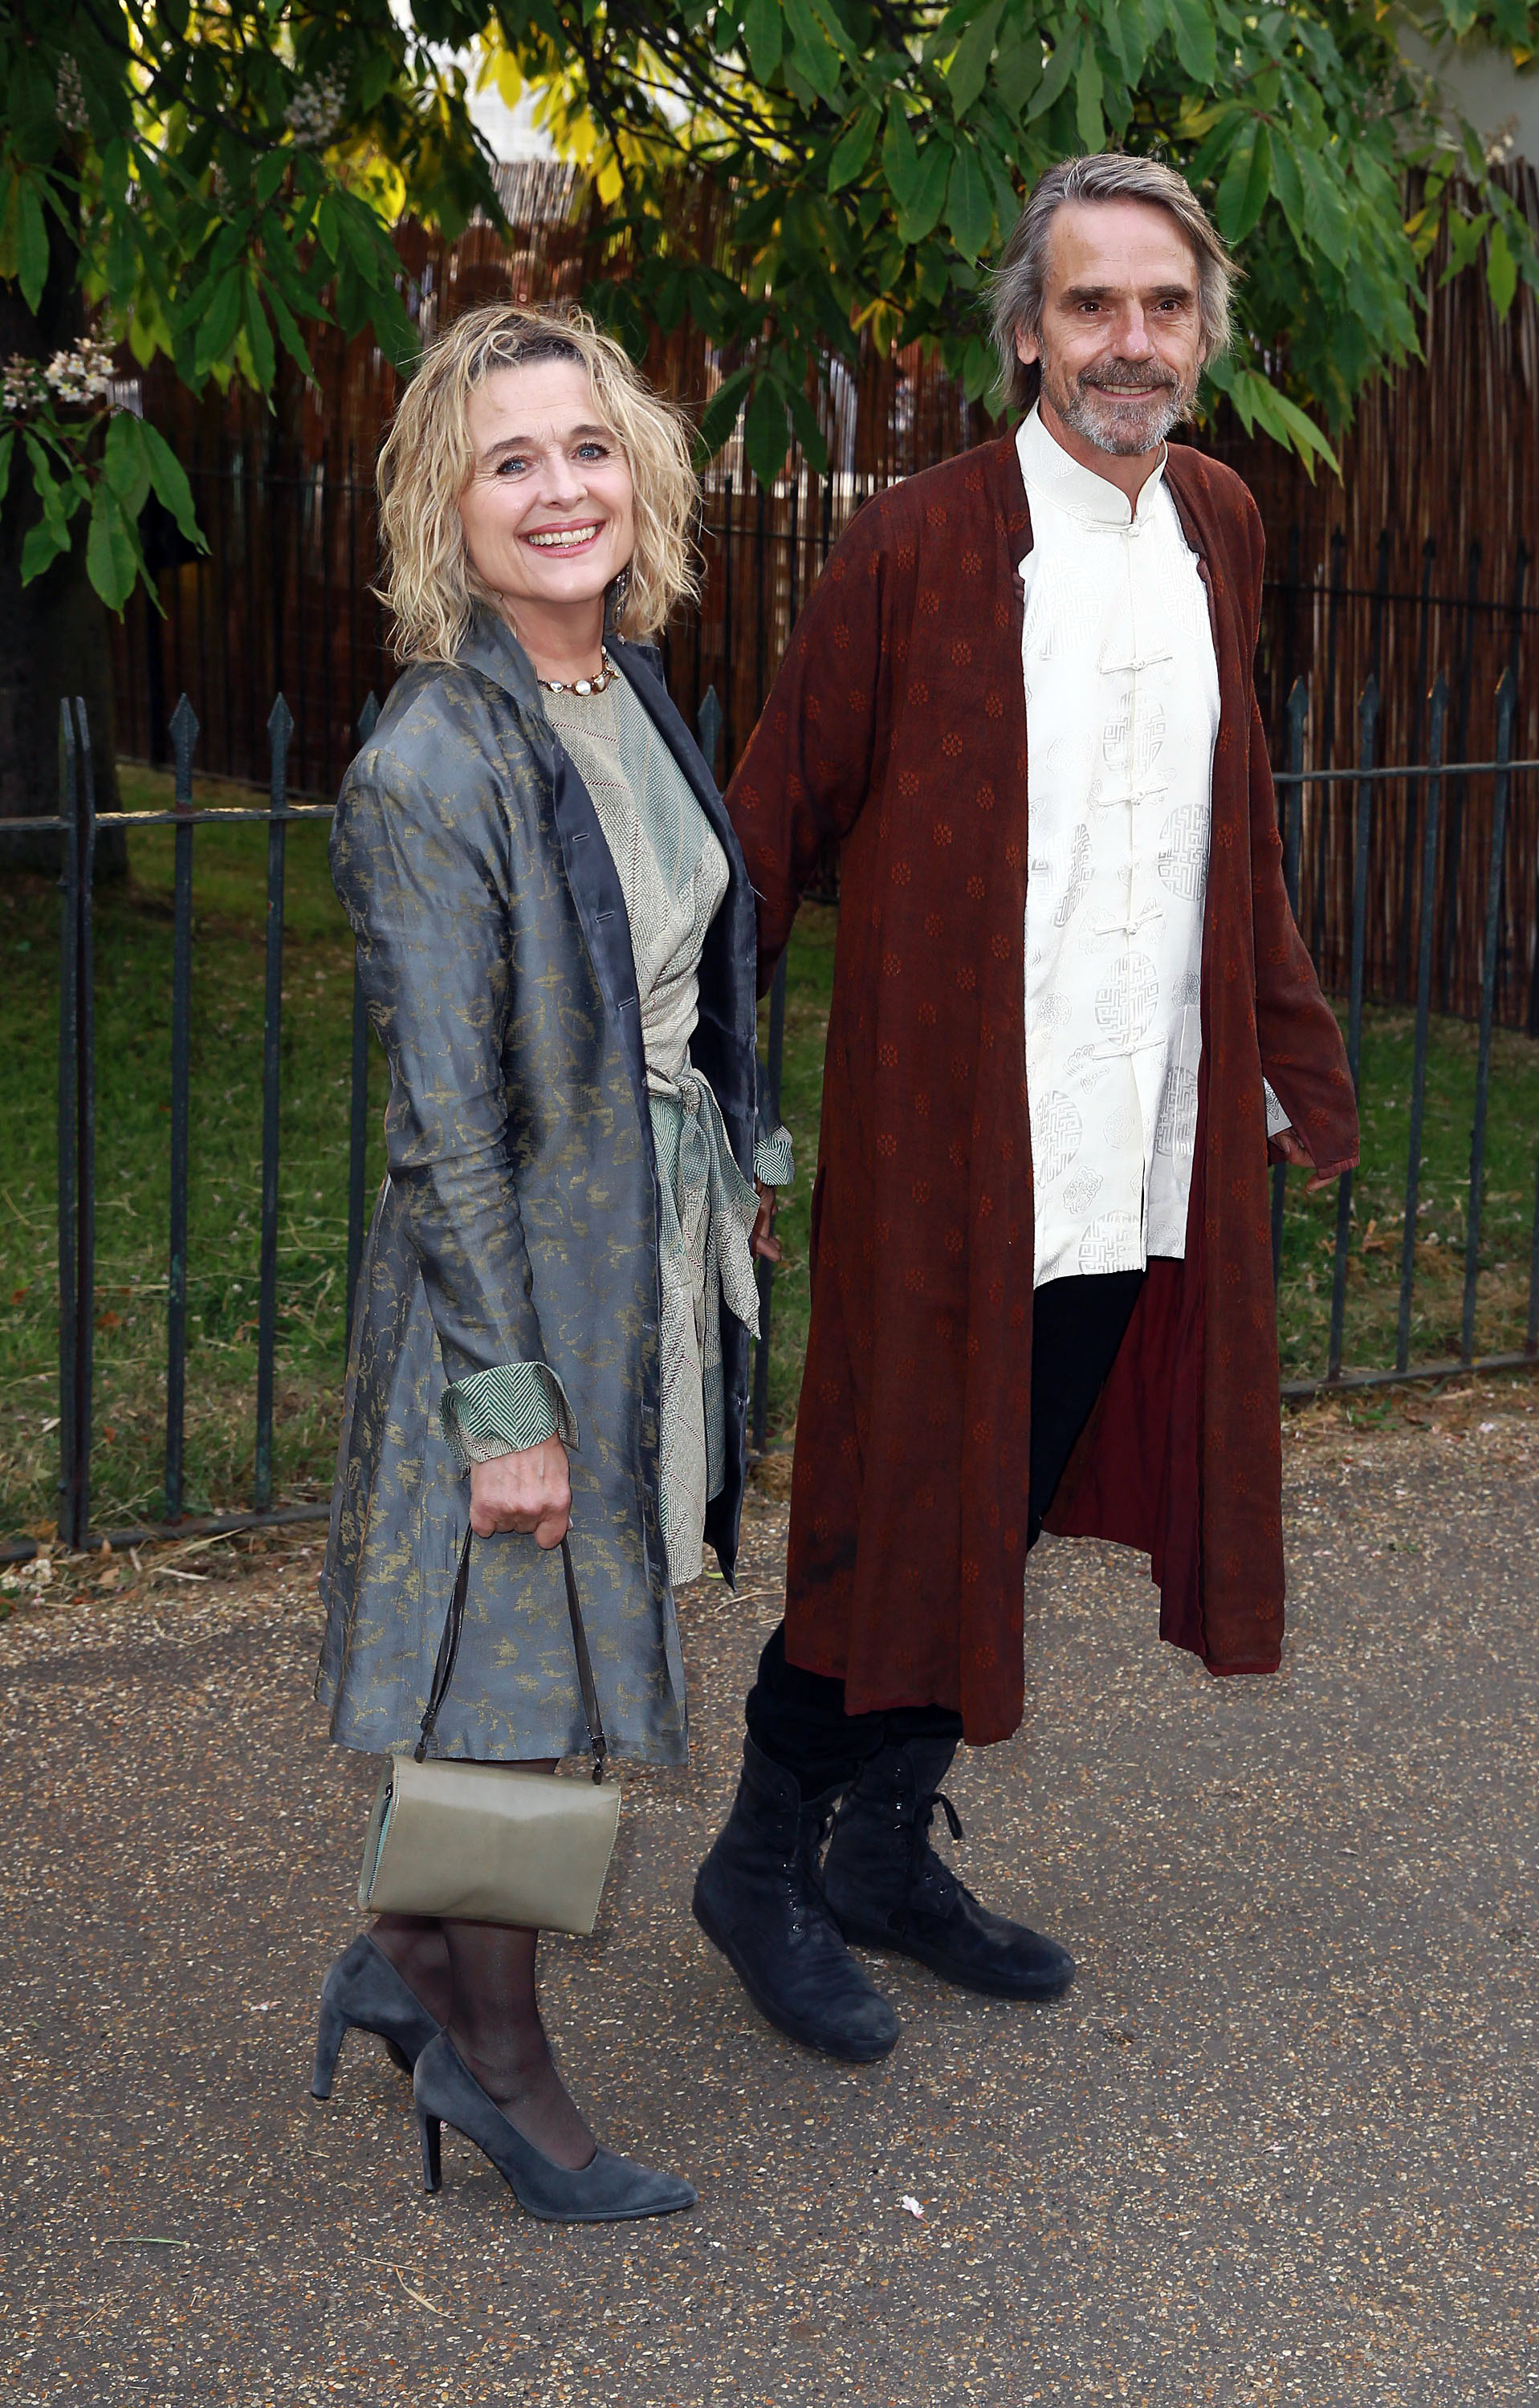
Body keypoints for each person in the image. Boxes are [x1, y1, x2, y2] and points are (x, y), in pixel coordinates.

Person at [694, 153, 1358, 2061]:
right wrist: (720, 1116)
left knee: (981, 1515)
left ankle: (879, 1850)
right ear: (1024, 332)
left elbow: (1237, 840)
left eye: (1161, 307)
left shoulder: (1221, 524)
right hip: (952, 1155)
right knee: (899, 1508)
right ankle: (757, 1859)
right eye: (1089, 306)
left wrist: (1284, 1069)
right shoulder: (915, 546)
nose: (1126, 343)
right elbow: (763, 842)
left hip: (1140, 1142)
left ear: (1204, 334)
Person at [309, 303, 788, 2219]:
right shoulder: (432, 763)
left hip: (637, 1254)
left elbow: (692, 958)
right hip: (504, 1292)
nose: (560, 487)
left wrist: (737, 1161)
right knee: (520, 1676)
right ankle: (494, 2060)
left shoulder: (628, 686)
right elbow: (442, 1129)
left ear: (641, 468)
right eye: (510, 460)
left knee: (572, 1649)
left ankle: (409, 1961)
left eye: (586, 446)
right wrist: (506, 1409)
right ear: (447, 501)